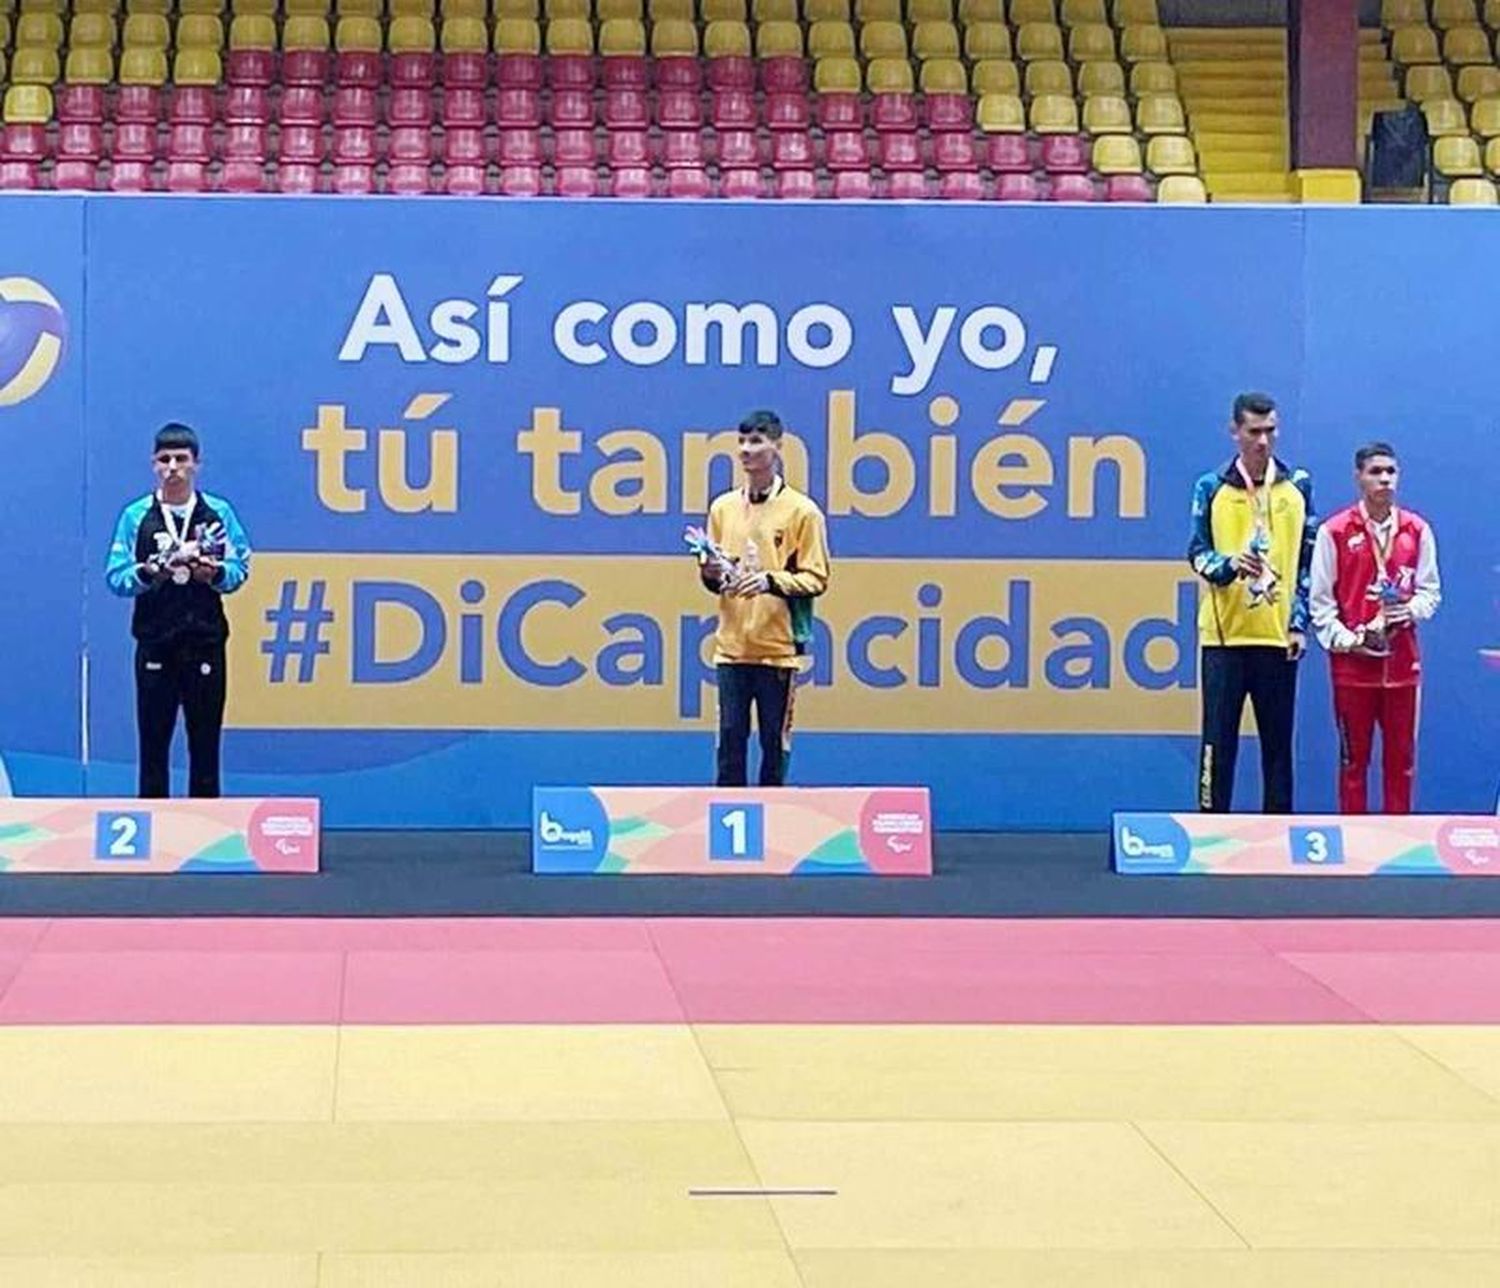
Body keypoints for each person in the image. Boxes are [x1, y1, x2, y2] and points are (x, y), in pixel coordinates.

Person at [105, 424, 252, 798]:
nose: (173, 467)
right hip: (156, 643)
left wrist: (212, 573)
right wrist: (152, 571)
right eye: (165, 460)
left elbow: (240, 569)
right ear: (154, 465)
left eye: (181, 460)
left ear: (196, 465)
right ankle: (154, 839)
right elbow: (116, 576)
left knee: (205, 745)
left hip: (204, 641)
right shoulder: (136, 516)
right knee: (153, 746)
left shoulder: (217, 513)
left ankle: (205, 836)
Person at [1188, 392, 1317, 813]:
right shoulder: (1211, 487)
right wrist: (1228, 565)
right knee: (1217, 742)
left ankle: (1278, 833)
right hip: (1224, 636)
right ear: (1235, 432)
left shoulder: (1297, 485)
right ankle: (1209, 825)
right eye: (1253, 431)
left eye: (1270, 431)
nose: (1263, 441)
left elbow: (1306, 561)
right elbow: (1197, 554)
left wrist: (1299, 623)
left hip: (1278, 637)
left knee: (1278, 745)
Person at [694, 410, 830, 787]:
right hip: (731, 648)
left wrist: (769, 581)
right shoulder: (722, 508)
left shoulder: (802, 512)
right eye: (741, 442)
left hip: (778, 650)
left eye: (755, 442)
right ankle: (727, 836)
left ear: (777, 447)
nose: (745, 451)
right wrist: (711, 574)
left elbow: (817, 577)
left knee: (774, 747)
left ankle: (773, 828)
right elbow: (716, 577)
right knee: (729, 746)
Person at [1310, 441, 1440, 813]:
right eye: (1375, 472)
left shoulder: (1416, 531)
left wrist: (1408, 610)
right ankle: (1354, 848)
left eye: (1390, 472)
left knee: (1402, 764)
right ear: (1358, 478)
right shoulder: (1334, 532)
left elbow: (1430, 592)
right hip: (1353, 671)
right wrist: (1351, 641)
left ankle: (1396, 849)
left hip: (1402, 668)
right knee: (1353, 764)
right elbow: (1320, 604)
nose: (1384, 480)